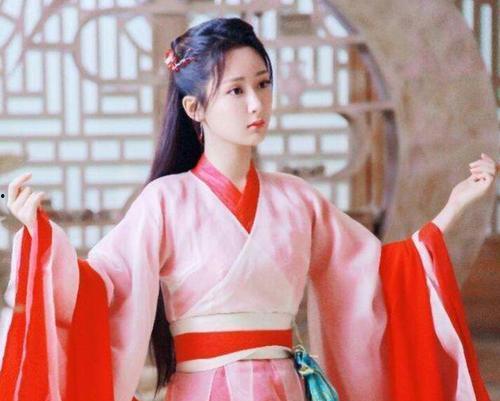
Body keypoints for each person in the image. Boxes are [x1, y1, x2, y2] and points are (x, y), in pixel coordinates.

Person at [0, 17, 496, 401]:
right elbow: (101, 289)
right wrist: (42, 241)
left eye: (263, 84)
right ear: (195, 108)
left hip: (286, 387)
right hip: (202, 389)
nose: (256, 104)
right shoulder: (165, 201)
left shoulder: (298, 199)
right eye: (236, 90)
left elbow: (379, 273)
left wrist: (448, 213)